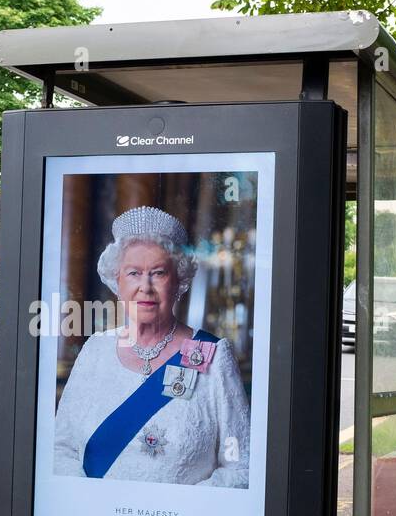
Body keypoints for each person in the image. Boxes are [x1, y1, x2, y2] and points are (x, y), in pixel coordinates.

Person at [53, 205, 251, 488]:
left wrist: (178, 514)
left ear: (179, 281)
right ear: (116, 281)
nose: (145, 286)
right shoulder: (95, 350)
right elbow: (61, 449)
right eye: (133, 273)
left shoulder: (213, 354)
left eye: (158, 273)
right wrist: (91, 505)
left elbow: (240, 464)